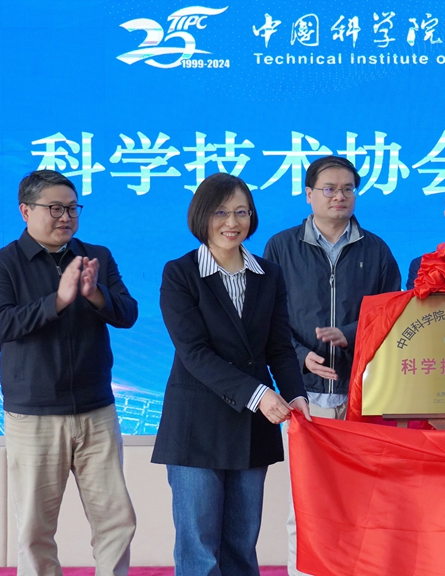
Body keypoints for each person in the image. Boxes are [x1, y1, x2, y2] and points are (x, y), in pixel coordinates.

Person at [152, 172, 312, 576]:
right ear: (202, 216)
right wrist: (260, 395)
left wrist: (296, 395)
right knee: (200, 550)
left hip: (250, 429)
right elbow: (194, 353)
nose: (232, 222)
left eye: (242, 212)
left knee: (241, 547)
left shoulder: (269, 274)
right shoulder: (180, 273)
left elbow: (279, 347)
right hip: (196, 427)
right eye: (221, 212)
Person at [0, 169, 137, 576]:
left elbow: (128, 313)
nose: (65, 217)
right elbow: (2, 324)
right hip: (33, 415)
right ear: (25, 211)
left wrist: (95, 293)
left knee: (117, 520)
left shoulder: (96, 256)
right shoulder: (2, 263)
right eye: (54, 208)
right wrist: (59, 300)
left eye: (72, 208)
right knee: (35, 529)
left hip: (96, 411)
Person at [262, 155, 401, 576]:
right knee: (305, 502)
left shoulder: (376, 250)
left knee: (360, 501)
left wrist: (352, 334)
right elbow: (268, 320)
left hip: (361, 396)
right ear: (309, 194)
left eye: (347, 189)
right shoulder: (281, 247)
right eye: (329, 188)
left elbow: (392, 315)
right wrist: (299, 356)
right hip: (304, 397)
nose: (339, 196)